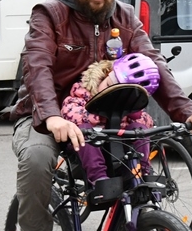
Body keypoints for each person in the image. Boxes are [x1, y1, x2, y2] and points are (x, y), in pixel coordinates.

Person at [10, 0, 192, 231]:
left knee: (136, 194)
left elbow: (153, 64)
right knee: (35, 157)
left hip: (107, 119)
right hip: (45, 116)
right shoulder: (49, 14)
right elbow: (37, 66)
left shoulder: (125, 17)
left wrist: (186, 110)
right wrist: (52, 115)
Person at [59, 55, 157, 186]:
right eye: (108, 85)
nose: (108, 92)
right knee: (84, 131)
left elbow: (149, 122)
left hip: (120, 147)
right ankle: (98, 178)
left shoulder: (126, 111)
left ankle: (143, 171)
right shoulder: (84, 92)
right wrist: (100, 114)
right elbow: (69, 111)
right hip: (88, 149)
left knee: (140, 129)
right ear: (105, 76)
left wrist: (134, 113)